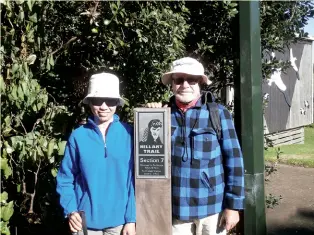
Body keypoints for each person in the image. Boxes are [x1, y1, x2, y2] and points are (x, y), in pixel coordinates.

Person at [146, 57, 245, 235]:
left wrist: (233, 207)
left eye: (191, 79)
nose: (185, 84)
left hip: (212, 208)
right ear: (172, 84)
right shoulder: (160, 115)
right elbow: (148, 159)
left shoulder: (218, 114)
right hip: (176, 210)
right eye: (179, 80)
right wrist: (149, 114)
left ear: (200, 83)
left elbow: (235, 161)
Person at [56, 72, 136, 235]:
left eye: (110, 100)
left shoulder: (129, 134)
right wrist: (71, 210)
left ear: (117, 103)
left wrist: (131, 219)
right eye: (98, 100)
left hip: (119, 223)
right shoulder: (78, 136)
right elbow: (65, 178)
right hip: (84, 223)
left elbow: (134, 181)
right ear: (90, 102)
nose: (104, 106)